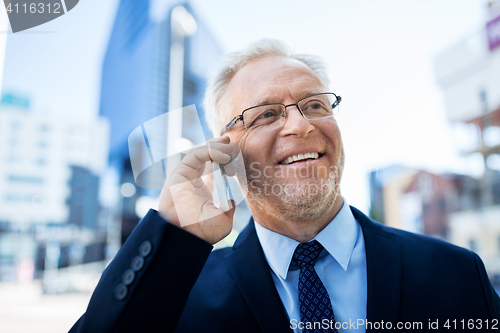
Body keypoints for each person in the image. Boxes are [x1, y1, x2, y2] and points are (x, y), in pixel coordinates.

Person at [69, 39, 500, 333]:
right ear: (224, 150)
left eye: (314, 105)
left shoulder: (457, 275)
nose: (300, 123)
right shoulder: (176, 295)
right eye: (266, 114)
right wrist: (170, 233)